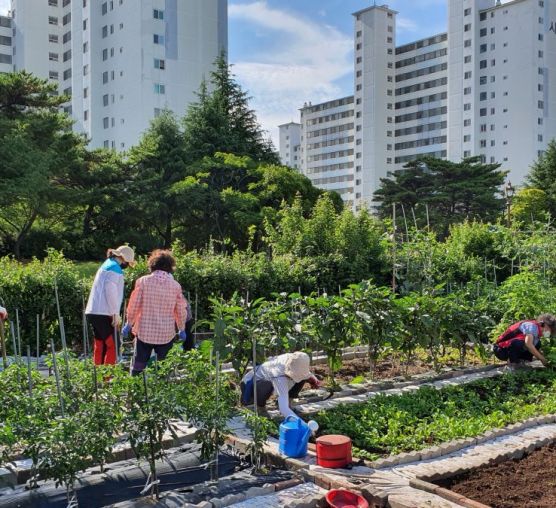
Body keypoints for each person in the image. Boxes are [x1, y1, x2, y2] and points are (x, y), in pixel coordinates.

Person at [122, 249, 187, 375]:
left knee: (139, 364)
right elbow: (180, 310)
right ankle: (161, 390)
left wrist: (129, 323)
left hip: (145, 332)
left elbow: (134, 305)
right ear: (170, 266)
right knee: (163, 367)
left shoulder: (143, 281)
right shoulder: (175, 286)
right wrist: (181, 328)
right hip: (166, 333)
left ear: (152, 264)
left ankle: (136, 387)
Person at [86, 245, 135, 366]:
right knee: (112, 344)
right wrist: (115, 313)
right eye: (127, 263)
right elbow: (110, 291)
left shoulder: (107, 264)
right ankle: (107, 377)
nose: (127, 266)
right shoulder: (114, 268)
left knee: (100, 343)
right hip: (104, 312)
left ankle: (98, 374)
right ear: (122, 258)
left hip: (94, 311)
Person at [240, 352, 321, 418]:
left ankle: (289, 403)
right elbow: (283, 410)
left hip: (269, 378)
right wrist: (303, 426)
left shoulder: (293, 358)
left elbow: (303, 372)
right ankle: (260, 408)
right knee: (267, 385)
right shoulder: (279, 375)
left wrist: (313, 378)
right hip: (249, 387)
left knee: (302, 377)